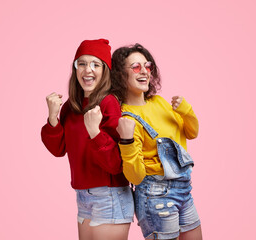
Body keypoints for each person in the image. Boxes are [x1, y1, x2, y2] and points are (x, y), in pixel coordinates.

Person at [41, 39, 133, 240]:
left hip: (109, 195)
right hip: (83, 196)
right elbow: (59, 149)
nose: (87, 70)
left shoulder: (109, 102)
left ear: (105, 70)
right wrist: (52, 118)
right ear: (75, 68)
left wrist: (95, 133)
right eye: (81, 63)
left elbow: (117, 164)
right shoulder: (72, 105)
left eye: (95, 64)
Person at [111, 43, 203, 240]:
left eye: (148, 66)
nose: (144, 71)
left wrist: (186, 110)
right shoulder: (126, 117)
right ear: (120, 75)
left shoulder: (159, 102)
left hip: (184, 189)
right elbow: (135, 177)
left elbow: (191, 132)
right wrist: (126, 141)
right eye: (136, 67)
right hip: (156, 195)